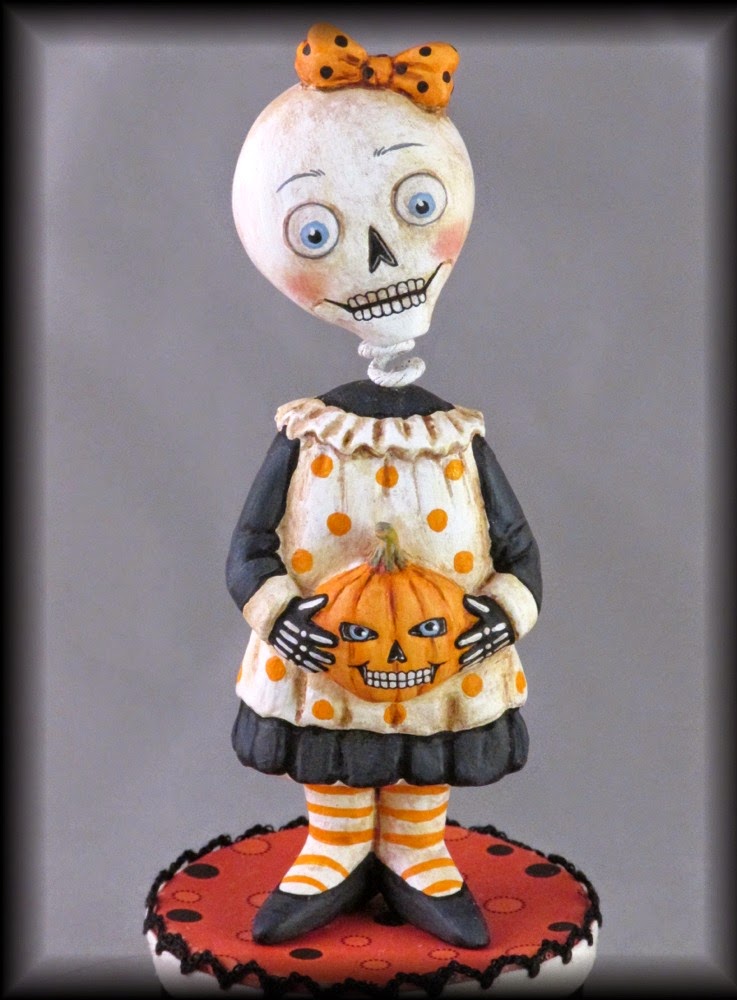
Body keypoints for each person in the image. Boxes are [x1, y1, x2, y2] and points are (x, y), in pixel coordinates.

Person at [227, 23, 541, 949]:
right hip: (331, 650)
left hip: (440, 645)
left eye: (414, 203)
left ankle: (415, 850)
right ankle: (332, 848)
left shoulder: (456, 435)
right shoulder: (310, 432)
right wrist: (278, 611)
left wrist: (505, 612)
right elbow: (250, 547)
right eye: (317, 232)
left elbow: (518, 547)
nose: (371, 261)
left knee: (421, 751)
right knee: (340, 751)